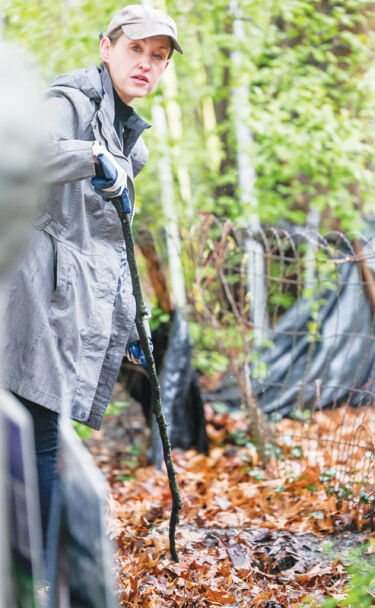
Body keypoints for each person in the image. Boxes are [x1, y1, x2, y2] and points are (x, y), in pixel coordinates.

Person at [0, 4, 182, 552]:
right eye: (135, 50)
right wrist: (91, 155)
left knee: (43, 439)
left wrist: (128, 322)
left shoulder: (135, 142)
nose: (146, 65)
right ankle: (41, 572)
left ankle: (35, 565)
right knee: (41, 443)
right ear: (106, 47)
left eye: (158, 58)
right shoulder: (70, 102)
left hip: (65, 309)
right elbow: (25, 155)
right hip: (30, 298)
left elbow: (111, 246)